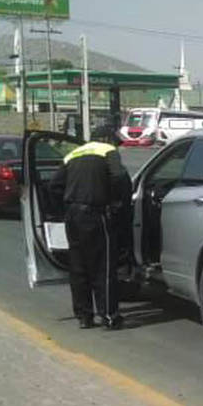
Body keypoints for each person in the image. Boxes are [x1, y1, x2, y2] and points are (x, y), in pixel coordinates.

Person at [48, 141, 132, 329]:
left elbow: (54, 185)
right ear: (108, 139)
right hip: (96, 214)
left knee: (78, 266)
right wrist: (117, 202)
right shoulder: (107, 151)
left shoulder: (73, 154)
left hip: (73, 216)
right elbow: (119, 177)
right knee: (104, 266)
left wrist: (63, 209)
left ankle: (84, 316)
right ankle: (109, 316)